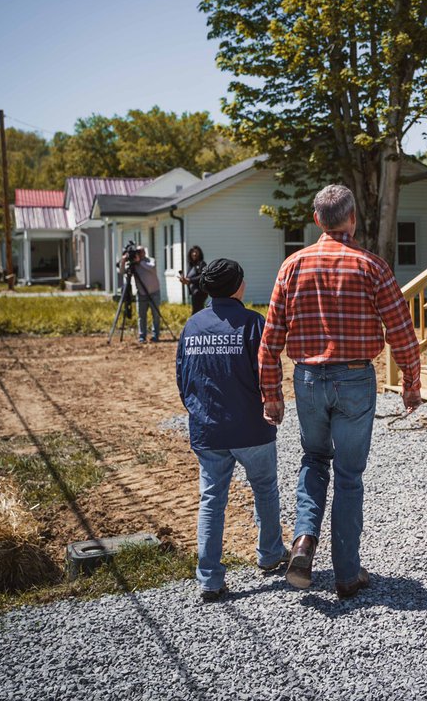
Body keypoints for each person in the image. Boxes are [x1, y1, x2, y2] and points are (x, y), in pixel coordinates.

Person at [258, 184, 421, 599]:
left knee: (313, 460)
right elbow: (402, 332)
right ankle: (347, 573)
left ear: (317, 220)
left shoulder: (292, 266)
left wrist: (271, 395)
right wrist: (410, 385)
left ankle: (303, 542)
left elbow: (271, 337)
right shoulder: (373, 266)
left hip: (308, 379)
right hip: (354, 379)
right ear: (352, 219)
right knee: (349, 476)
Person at [175, 258, 287, 602]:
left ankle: (209, 578)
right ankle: (269, 554)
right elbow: (269, 370)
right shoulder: (253, 323)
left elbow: (183, 378)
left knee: (211, 501)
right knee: (265, 489)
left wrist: (198, 411)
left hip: (209, 431)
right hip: (252, 428)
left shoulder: (193, 326)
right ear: (237, 285)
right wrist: (274, 401)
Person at [120, 245, 162, 343]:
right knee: (141, 316)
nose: (139, 253)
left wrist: (140, 262)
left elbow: (151, 268)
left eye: (141, 251)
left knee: (155, 315)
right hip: (142, 294)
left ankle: (155, 335)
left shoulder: (150, 260)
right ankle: (142, 336)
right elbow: (122, 271)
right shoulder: (133, 264)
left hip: (154, 293)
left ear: (144, 252)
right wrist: (123, 260)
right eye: (137, 251)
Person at [178, 245, 208, 315]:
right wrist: (184, 280)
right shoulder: (191, 265)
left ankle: (198, 325)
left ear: (199, 254)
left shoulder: (202, 264)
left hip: (200, 292)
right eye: (193, 252)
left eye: (196, 252)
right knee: (196, 312)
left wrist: (189, 280)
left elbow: (202, 276)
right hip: (194, 292)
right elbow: (190, 279)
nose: (194, 254)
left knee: (196, 313)